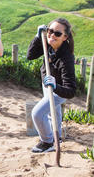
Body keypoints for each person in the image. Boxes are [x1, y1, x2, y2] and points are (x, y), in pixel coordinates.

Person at [27, 18, 76, 153]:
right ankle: (57, 138)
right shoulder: (48, 44)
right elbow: (30, 55)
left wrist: (56, 87)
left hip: (59, 90)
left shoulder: (66, 58)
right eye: (50, 31)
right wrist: (38, 38)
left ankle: (47, 141)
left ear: (65, 37)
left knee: (37, 113)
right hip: (47, 83)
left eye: (57, 34)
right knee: (54, 113)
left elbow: (71, 91)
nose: (52, 35)